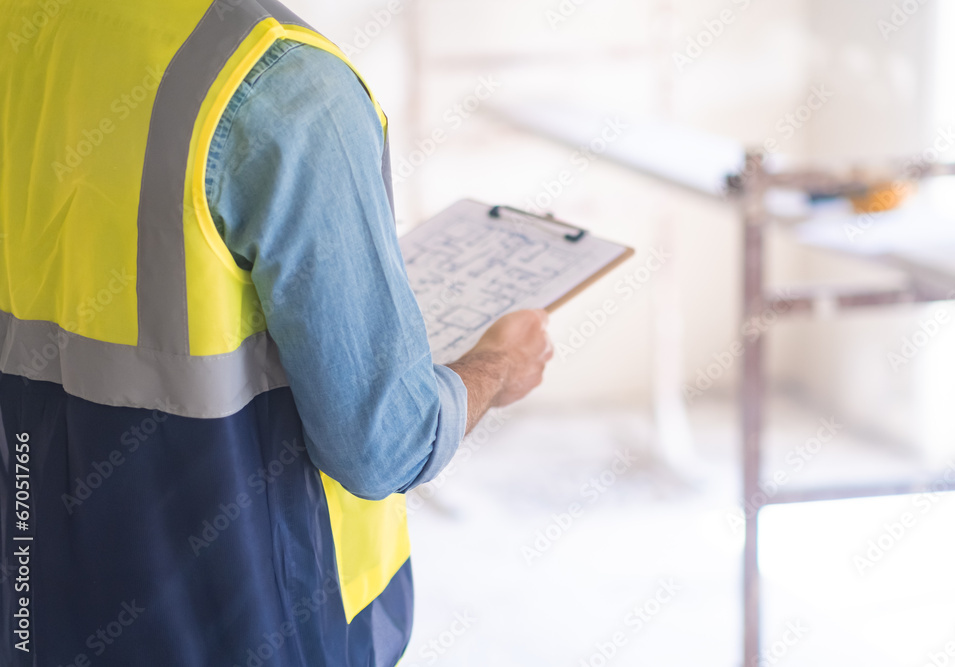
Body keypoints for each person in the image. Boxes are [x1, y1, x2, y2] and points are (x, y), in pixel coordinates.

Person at [0, 1, 552, 665]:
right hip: (249, 620)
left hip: (37, 602)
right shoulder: (287, 88)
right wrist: (495, 366)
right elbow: (381, 441)